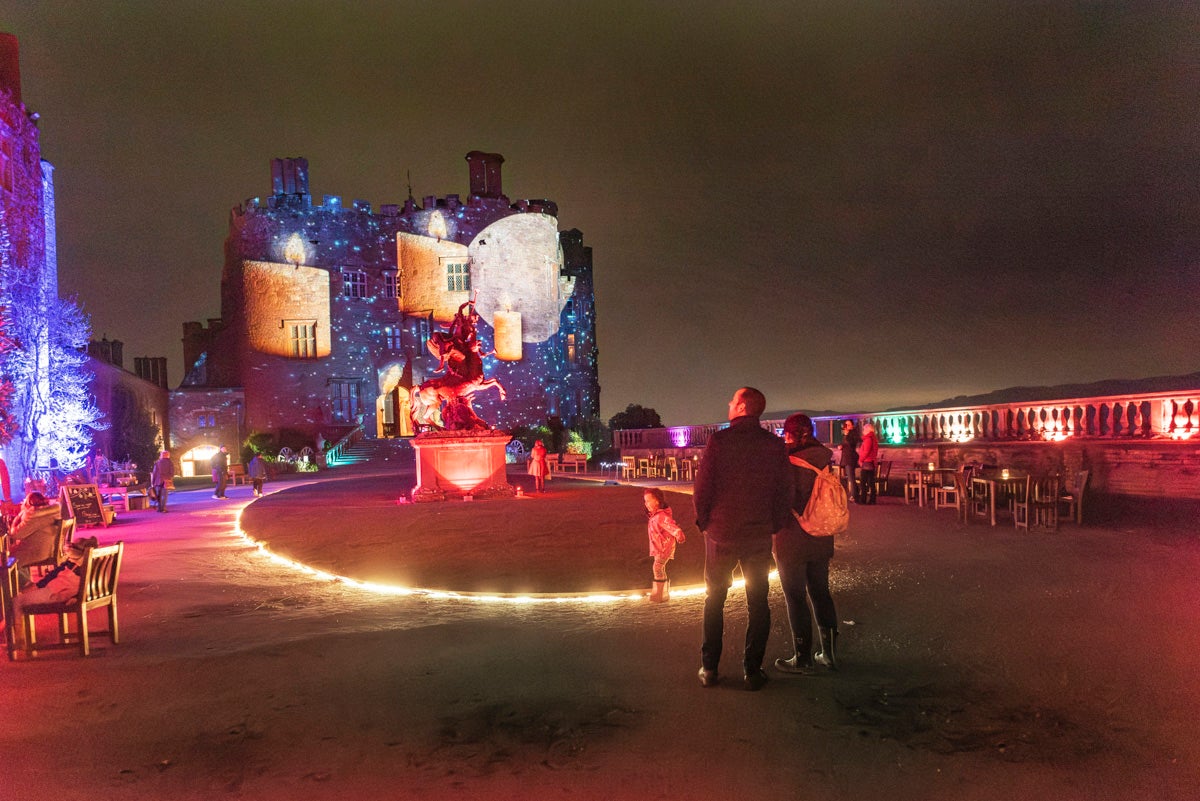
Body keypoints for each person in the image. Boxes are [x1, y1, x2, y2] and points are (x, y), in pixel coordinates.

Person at [693, 386, 791, 691]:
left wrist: (704, 522)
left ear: (742, 407)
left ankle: (710, 668)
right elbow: (784, 490)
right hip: (758, 534)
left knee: (715, 599)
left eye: (733, 400)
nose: (729, 403)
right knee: (758, 602)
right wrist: (774, 524)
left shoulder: (720, 441)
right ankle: (752, 670)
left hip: (722, 532)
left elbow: (703, 486)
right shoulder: (773, 445)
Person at [773, 413, 841, 674]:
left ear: (788, 434)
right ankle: (829, 654)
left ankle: (802, 658)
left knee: (796, 596)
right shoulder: (824, 458)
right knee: (821, 592)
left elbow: (782, 500)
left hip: (793, 537)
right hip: (822, 534)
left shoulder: (787, 461)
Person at [7, 492, 61, 585]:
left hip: (38, 552)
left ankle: (25, 585)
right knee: (14, 554)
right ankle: (26, 582)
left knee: (8, 561)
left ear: (28, 504)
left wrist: (17, 518)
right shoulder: (52, 512)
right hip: (49, 549)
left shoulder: (35, 516)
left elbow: (16, 535)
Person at [644, 487, 686, 602]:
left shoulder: (660, 516)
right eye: (645, 501)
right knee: (659, 568)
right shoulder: (655, 516)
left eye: (648, 501)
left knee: (657, 567)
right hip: (659, 547)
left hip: (664, 547)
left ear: (657, 501)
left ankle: (660, 593)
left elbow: (671, 526)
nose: (646, 504)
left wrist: (679, 534)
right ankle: (662, 593)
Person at [857, 422, 879, 504]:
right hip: (871, 462)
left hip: (867, 462)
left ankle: (863, 499)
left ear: (867, 430)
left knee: (863, 482)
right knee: (871, 482)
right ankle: (872, 499)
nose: (863, 431)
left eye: (863, 429)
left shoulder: (868, 439)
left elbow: (866, 452)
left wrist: (860, 459)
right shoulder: (873, 439)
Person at [840, 420, 861, 504]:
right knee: (850, 477)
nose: (847, 427)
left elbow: (851, 444)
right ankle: (855, 493)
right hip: (846, 458)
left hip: (850, 458)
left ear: (852, 426)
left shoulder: (853, 434)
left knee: (851, 478)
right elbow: (845, 444)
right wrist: (841, 446)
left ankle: (854, 495)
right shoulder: (847, 435)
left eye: (849, 425)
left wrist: (846, 435)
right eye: (846, 425)